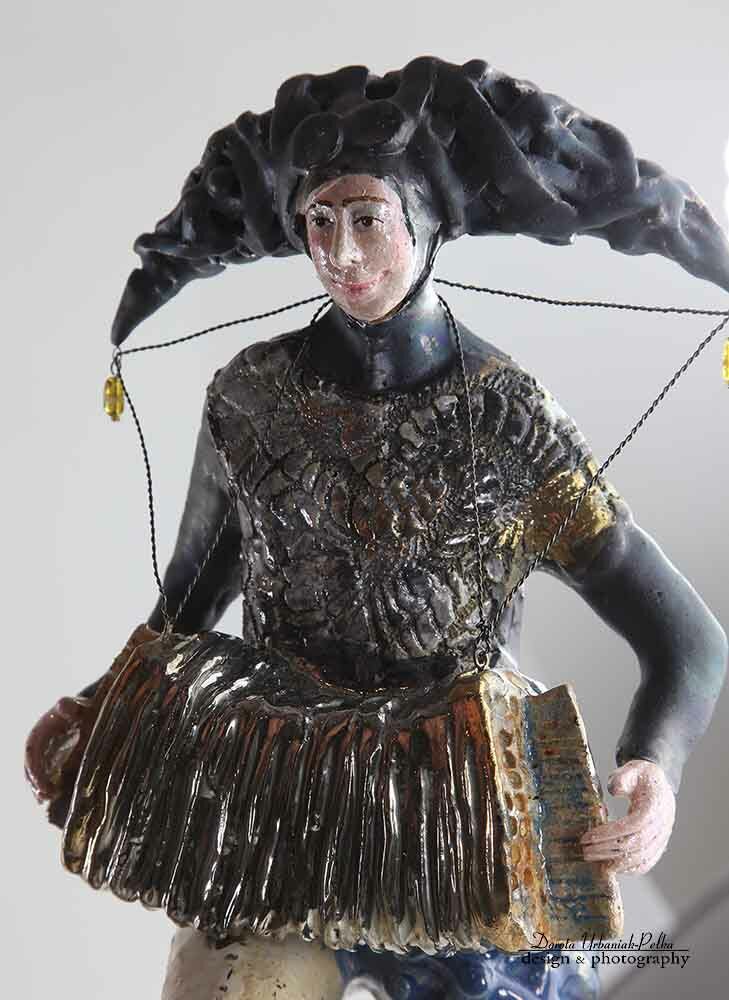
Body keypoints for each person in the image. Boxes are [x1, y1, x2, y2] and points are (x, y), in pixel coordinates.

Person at [25, 58, 729, 1000]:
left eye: (367, 220)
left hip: (468, 817)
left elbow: (685, 640)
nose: (342, 256)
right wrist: (100, 703)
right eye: (319, 223)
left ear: (426, 220)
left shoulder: (508, 422)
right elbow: (189, 599)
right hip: (279, 807)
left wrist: (652, 767)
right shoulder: (250, 399)